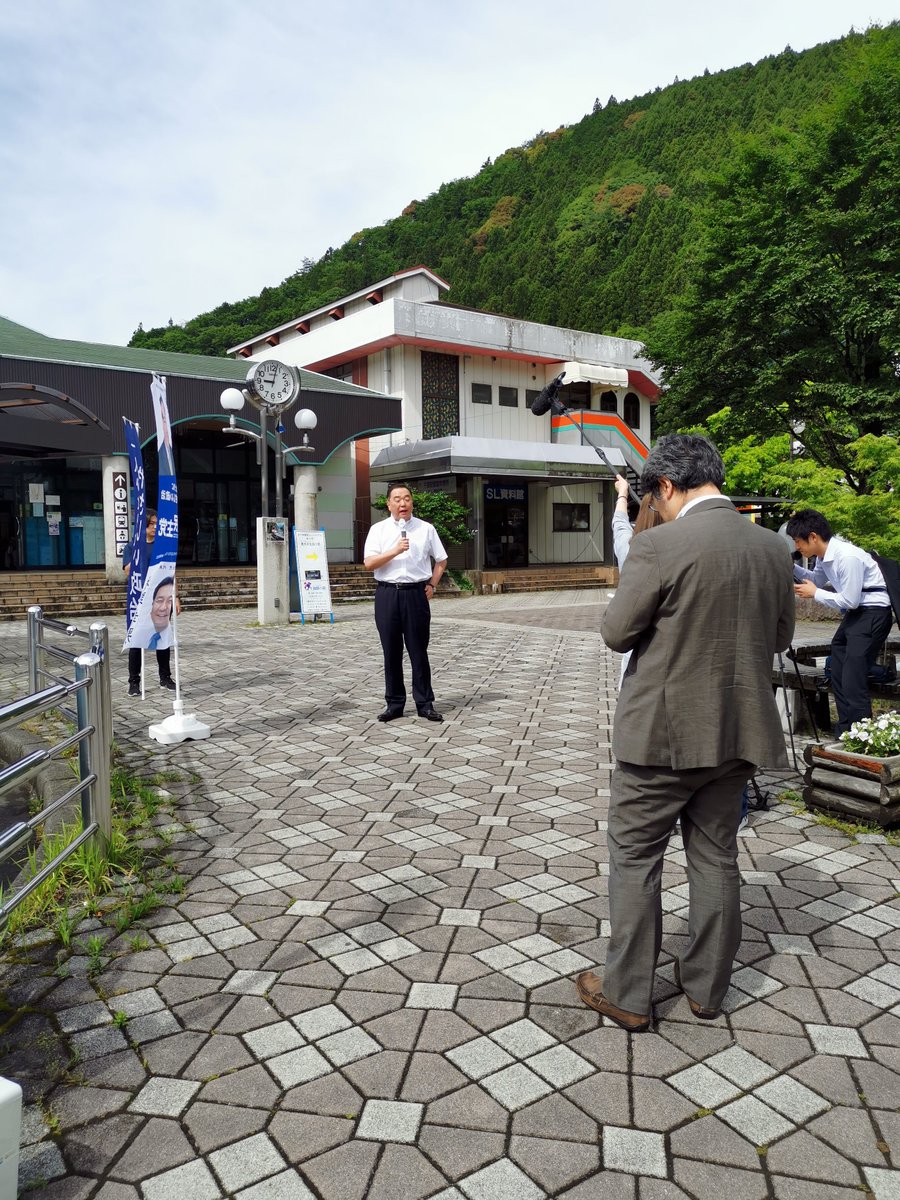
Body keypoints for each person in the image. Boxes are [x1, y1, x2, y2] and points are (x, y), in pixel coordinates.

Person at [576, 434, 794, 1032]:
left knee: (636, 858)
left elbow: (617, 633)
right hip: (737, 733)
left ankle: (627, 994)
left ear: (667, 485)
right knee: (716, 856)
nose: (657, 505)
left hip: (661, 739)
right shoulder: (773, 548)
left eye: (657, 496)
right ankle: (706, 990)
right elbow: (777, 639)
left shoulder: (659, 546)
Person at [786, 509, 892, 736]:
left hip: (873, 612)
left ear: (813, 537)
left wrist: (815, 593)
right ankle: (846, 730)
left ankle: (863, 734)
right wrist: (789, 566)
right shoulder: (825, 557)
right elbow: (815, 580)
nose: (797, 547)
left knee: (854, 675)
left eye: (797, 541)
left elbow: (850, 600)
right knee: (838, 668)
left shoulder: (847, 556)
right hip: (858, 614)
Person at [363, 483, 448, 722]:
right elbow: (369, 564)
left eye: (407, 498)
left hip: (415, 595)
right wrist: (395, 551)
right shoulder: (377, 530)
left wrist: (432, 584)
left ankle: (425, 703)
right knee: (391, 651)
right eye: (397, 499)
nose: (403, 503)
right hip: (387, 594)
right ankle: (394, 704)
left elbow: (441, 561)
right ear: (388, 504)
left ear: (412, 502)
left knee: (418, 651)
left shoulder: (426, 528)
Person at [123, 512, 180, 696]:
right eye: (151, 524)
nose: (155, 527)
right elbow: (127, 570)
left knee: (162, 637)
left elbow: (170, 574)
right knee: (136, 641)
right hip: (139, 600)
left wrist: (176, 597)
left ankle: (165, 677)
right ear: (143, 525)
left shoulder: (161, 547)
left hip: (161, 599)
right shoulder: (132, 546)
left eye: (157, 524)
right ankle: (134, 682)